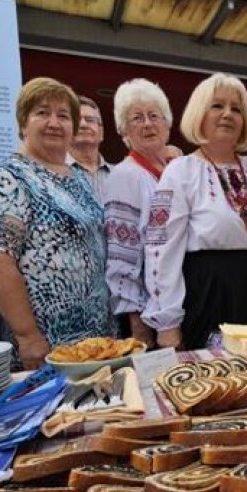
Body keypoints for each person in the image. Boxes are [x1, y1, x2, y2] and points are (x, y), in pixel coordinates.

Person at [142, 73, 247, 350]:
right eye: (217, 106)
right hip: (208, 297)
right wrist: (168, 323)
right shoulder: (181, 171)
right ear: (199, 113)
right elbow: (162, 251)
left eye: (236, 108)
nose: (228, 114)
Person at [0, 77, 116, 369]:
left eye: (63, 116)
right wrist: (28, 337)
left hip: (95, 336)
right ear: (23, 123)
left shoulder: (77, 178)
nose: (54, 122)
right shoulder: (8, 179)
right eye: (42, 113)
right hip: (45, 341)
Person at [104, 78, 174, 348]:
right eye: (137, 118)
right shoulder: (126, 176)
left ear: (166, 125)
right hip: (147, 316)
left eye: (154, 116)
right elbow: (122, 255)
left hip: (172, 308)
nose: (147, 124)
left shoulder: (171, 173)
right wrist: (138, 324)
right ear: (124, 131)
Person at [68, 95, 112, 204]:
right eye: (76, 120)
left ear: (101, 132)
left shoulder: (120, 176)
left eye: (90, 120)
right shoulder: (52, 175)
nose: (83, 124)